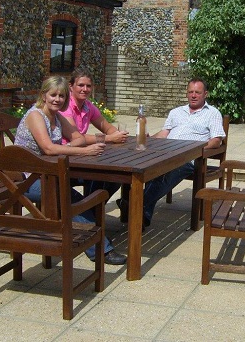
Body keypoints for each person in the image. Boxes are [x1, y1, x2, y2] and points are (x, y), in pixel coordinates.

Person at [14, 76, 127, 265]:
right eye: (53, 95)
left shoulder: (56, 116)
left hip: (48, 173)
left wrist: (74, 146)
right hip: (27, 179)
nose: (57, 99)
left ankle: (93, 229)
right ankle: (101, 249)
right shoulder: (36, 115)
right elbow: (49, 148)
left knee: (102, 183)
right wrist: (83, 151)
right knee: (70, 200)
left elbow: (78, 137)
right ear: (44, 95)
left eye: (61, 96)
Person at [117, 77, 226, 229]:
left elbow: (216, 140)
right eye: (190, 92)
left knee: (168, 171)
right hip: (165, 153)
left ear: (205, 94)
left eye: (197, 92)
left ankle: (133, 205)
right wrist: (149, 139)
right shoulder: (176, 112)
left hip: (189, 158)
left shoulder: (212, 113)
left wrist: (194, 150)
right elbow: (164, 133)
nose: (193, 95)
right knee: (148, 167)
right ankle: (141, 214)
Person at [60, 68, 128, 198]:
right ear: (70, 86)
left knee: (118, 175)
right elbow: (76, 137)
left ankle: (92, 210)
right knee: (101, 174)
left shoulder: (88, 106)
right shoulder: (65, 106)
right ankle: (89, 212)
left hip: (81, 154)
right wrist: (109, 138)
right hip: (66, 155)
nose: (84, 89)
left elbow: (107, 127)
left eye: (88, 86)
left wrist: (119, 134)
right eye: (80, 85)